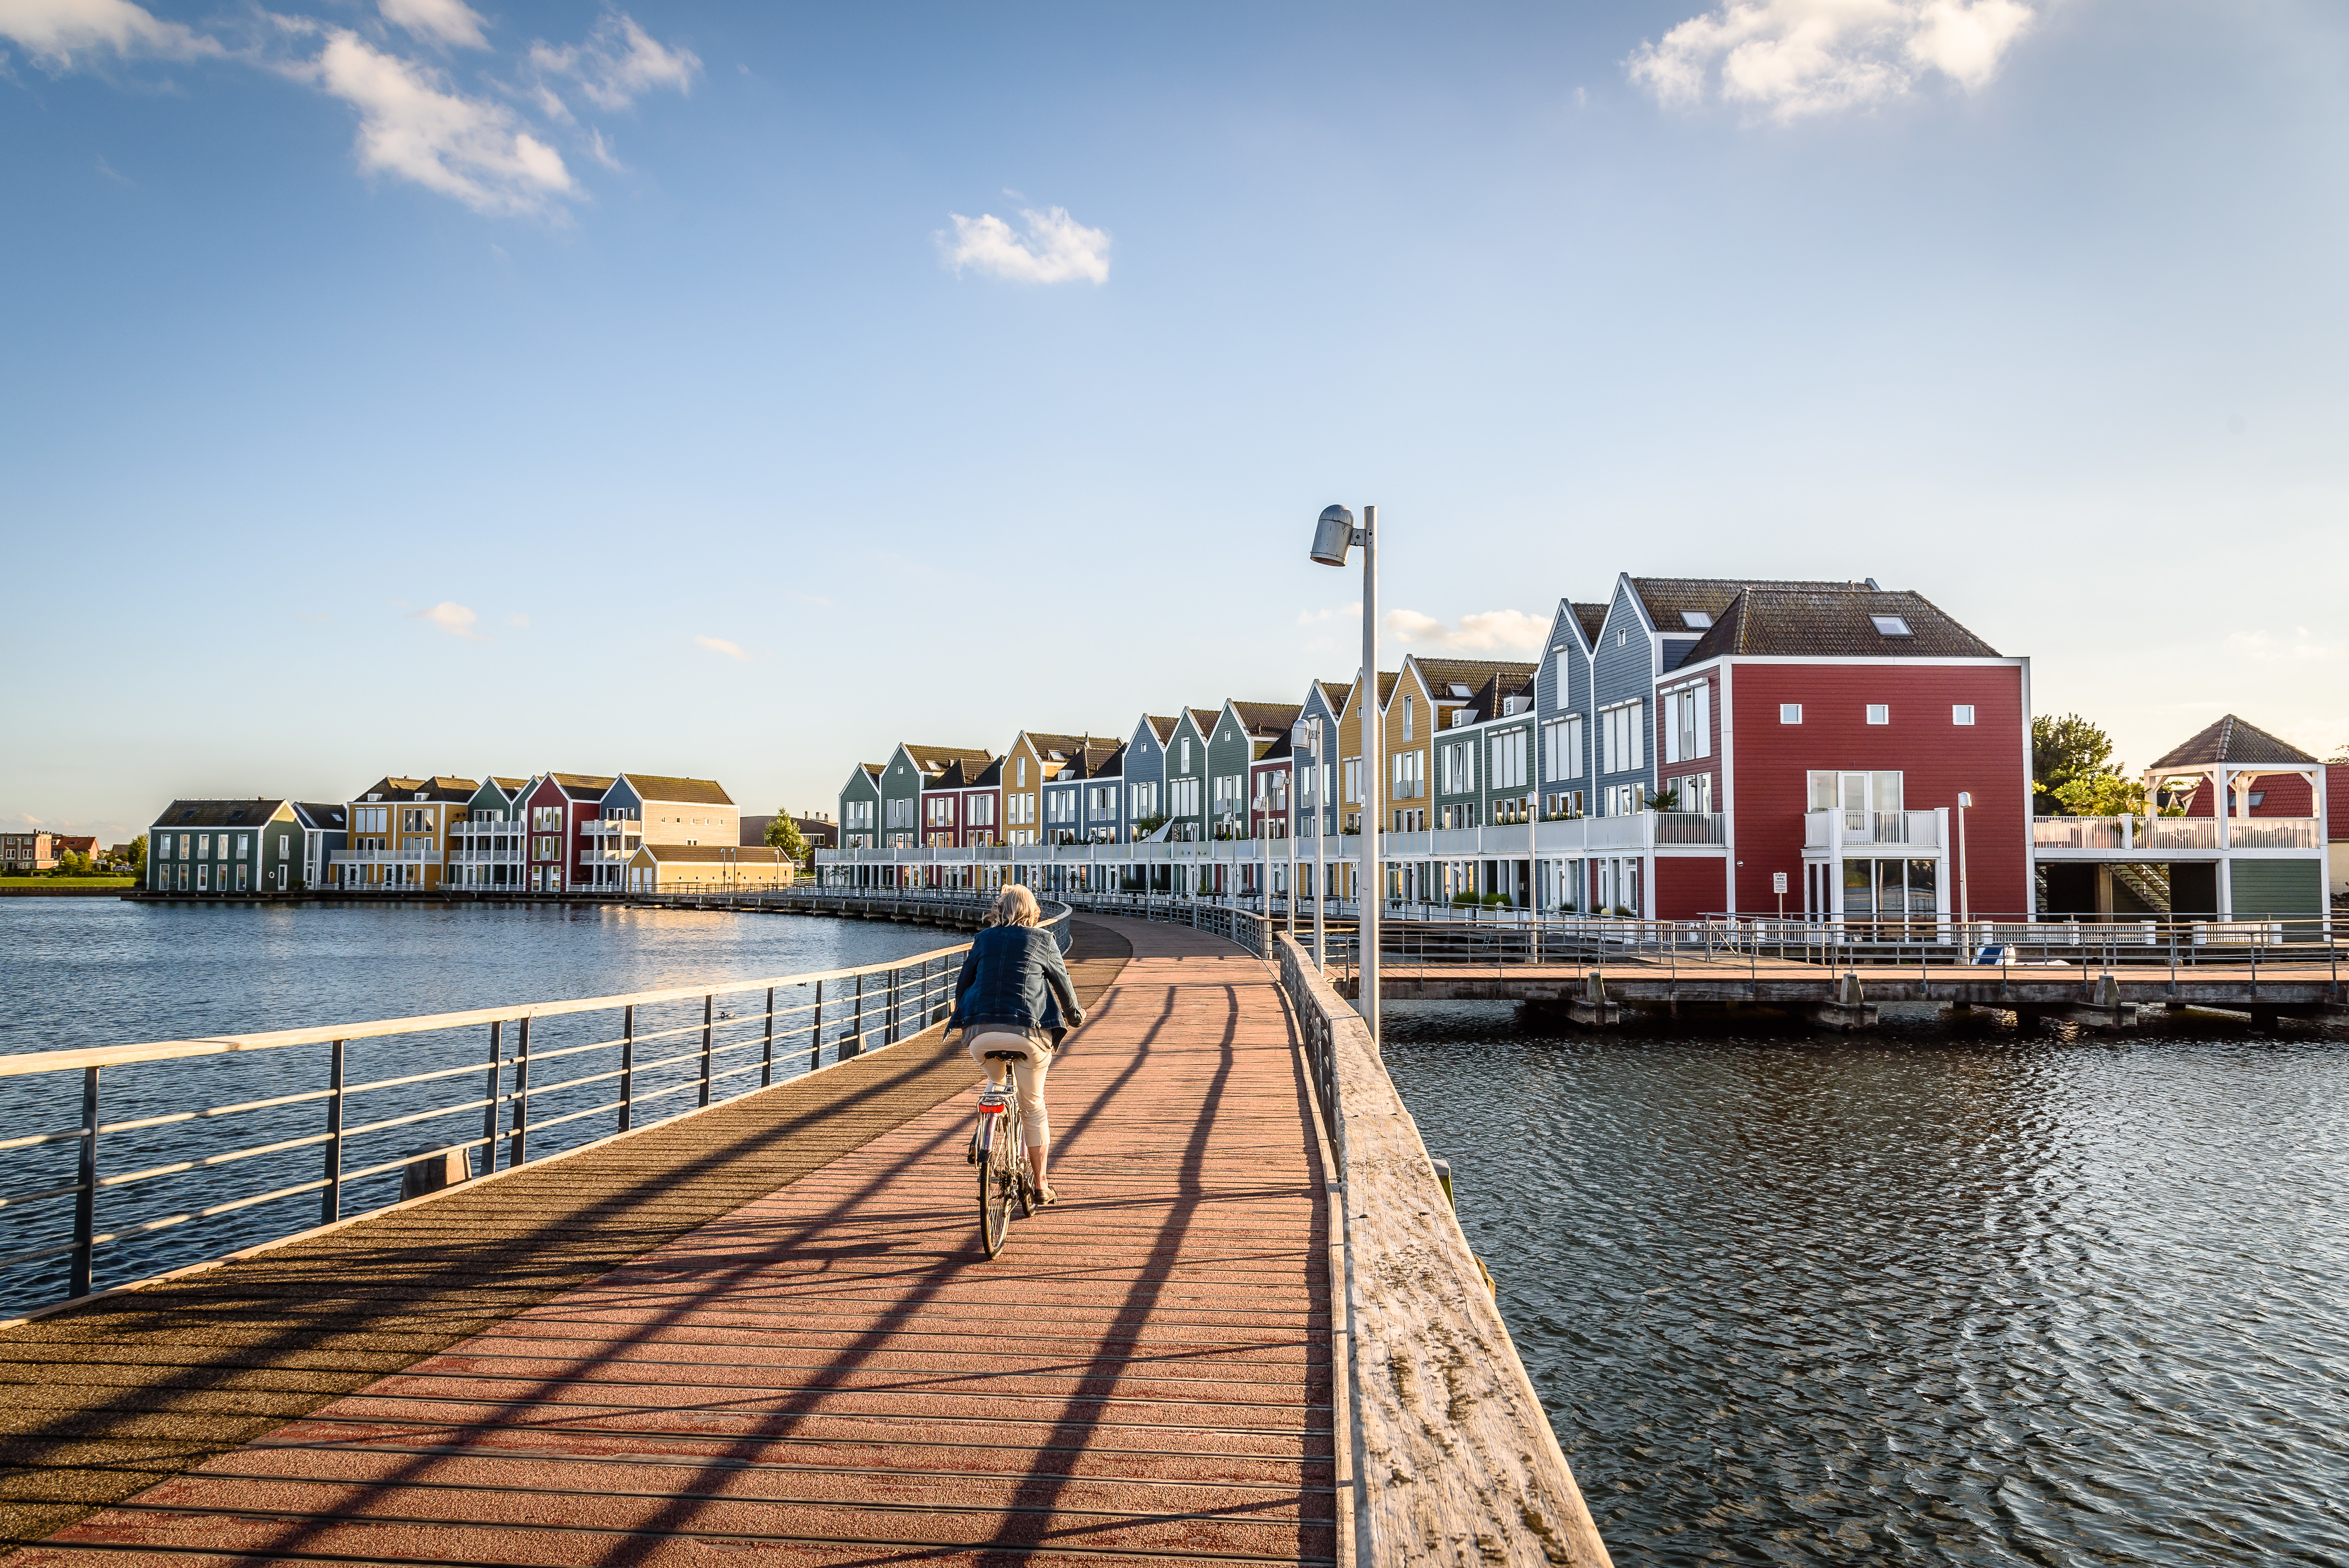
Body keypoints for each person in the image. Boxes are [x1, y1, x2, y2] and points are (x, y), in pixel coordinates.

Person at [948, 885, 1084, 1203]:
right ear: (1033, 911)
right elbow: (1063, 987)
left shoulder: (983, 939)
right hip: (1029, 1034)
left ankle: (985, 1130)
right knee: (1032, 1105)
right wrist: (1075, 1017)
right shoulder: (1043, 940)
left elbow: (964, 984)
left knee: (996, 1080)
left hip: (981, 1035)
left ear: (1000, 909)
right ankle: (1040, 1185)